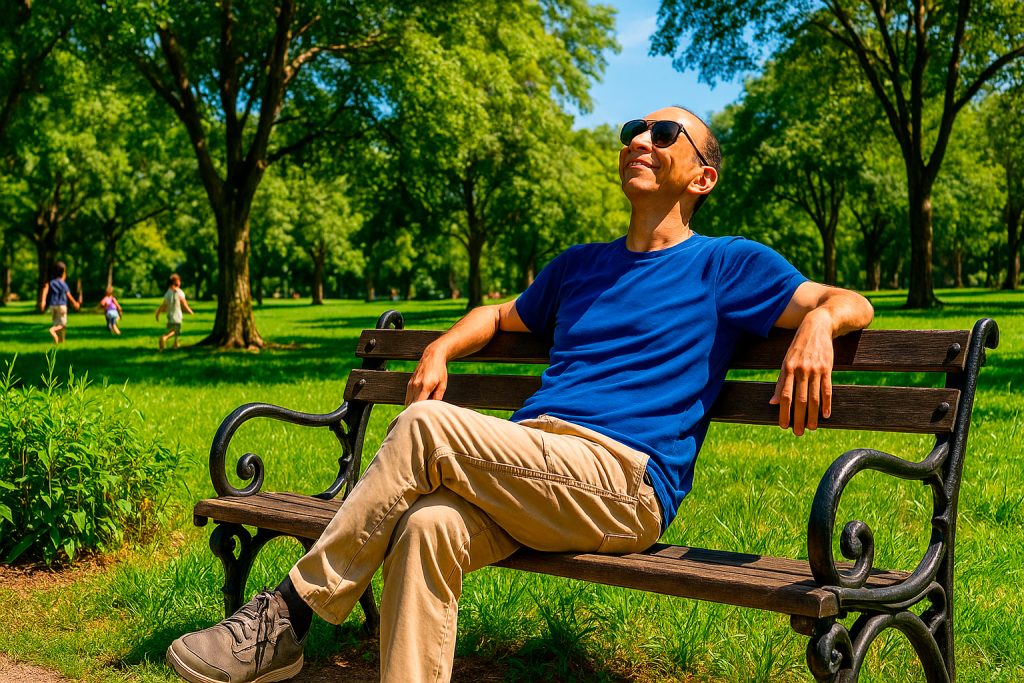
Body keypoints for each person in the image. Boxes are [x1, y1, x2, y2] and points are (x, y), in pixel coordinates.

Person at [165, 106, 874, 683]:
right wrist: (442, 344)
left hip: (623, 481)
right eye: (634, 128)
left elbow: (851, 302)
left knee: (425, 427)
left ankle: (290, 614)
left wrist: (816, 321)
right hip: (534, 466)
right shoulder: (581, 267)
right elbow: (502, 316)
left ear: (702, 177)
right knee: (427, 527)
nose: (641, 140)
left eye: (665, 134)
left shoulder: (726, 264)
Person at [39, 261, 81, 345]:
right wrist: (75, 303)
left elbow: (45, 289)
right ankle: (52, 330)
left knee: (57, 323)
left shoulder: (52, 282)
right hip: (62, 305)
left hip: (52, 305)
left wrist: (43, 301)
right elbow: (68, 294)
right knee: (62, 325)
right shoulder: (62, 283)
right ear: (63, 273)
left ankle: (59, 342)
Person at [155, 273, 194, 351]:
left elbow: (163, 305)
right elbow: (183, 302)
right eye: (179, 281)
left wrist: (157, 313)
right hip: (177, 316)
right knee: (175, 331)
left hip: (170, 316)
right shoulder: (179, 292)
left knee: (174, 330)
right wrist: (189, 310)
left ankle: (175, 344)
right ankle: (164, 337)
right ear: (177, 282)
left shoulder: (168, 293)